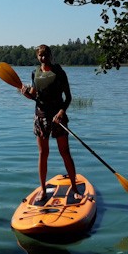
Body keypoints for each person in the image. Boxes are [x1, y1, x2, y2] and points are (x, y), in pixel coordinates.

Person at [20, 44, 81, 201]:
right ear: (37, 57)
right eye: (40, 55)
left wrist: (61, 112)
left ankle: (74, 188)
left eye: (46, 55)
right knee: (43, 154)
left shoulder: (59, 72)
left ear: (51, 56)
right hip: (40, 117)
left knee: (65, 152)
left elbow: (68, 97)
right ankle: (42, 190)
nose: (43, 58)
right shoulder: (35, 73)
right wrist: (26, 94)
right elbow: (35, 96)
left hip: (57, 118)